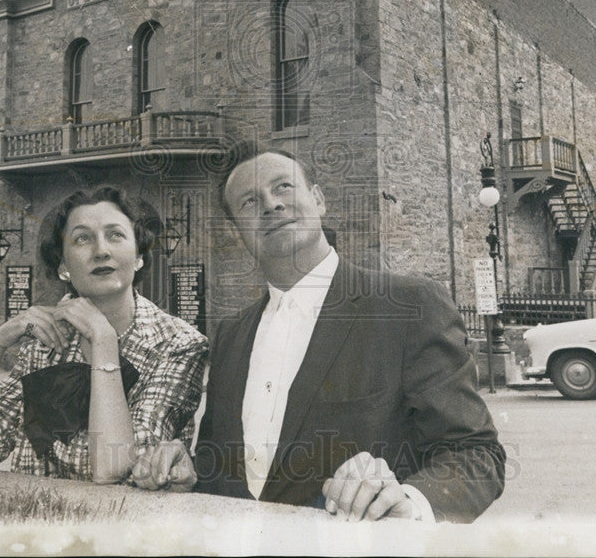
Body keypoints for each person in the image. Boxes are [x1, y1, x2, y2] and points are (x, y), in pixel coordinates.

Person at [134, 142, 505, 521]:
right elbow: (227, 467)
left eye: (283, 187)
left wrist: (409, 500)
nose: (271, 204)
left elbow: (475, 453)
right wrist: (191, 470)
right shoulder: (230, 335)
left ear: (319, 200)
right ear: (236, 233)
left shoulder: (409, 306)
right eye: (249, 201)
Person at [0, 186, 207, 485]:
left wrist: (103, 339)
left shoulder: (179, 344)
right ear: (63, 267)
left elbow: (114, 468)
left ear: (139, 258)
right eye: (82, 238)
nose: (101, 251)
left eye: (116, 235)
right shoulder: (44, 343)